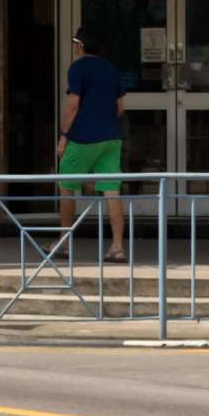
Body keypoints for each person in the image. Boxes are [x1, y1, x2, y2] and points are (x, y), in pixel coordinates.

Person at [59, 39, 135, 258]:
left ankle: (64, 243)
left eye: (75, 42)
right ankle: (118, 247)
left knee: (66, 185)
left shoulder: (78, 67)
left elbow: (73, 104)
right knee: (112, 190)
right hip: (111, 138)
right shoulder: (111, 69)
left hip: (83, 137)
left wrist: (64, 135)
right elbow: (120, 107)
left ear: (81, 45)